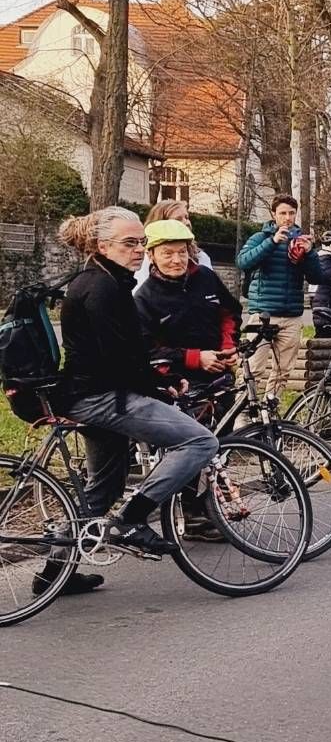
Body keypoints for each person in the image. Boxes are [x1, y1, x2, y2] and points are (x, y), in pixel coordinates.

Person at [48, 208, 219, 565]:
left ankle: (57, 572)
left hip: (90, 393)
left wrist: (162, 380)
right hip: (101, 397)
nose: (139, 250)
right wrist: (157, 389)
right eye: (129, 243)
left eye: (142, 242)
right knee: (201, 440)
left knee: (105, 487)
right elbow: (118, 359)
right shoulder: (101, 288)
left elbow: (129, 353)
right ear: (102, 246)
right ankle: (133, 518)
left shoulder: (105, 280)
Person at [234, 192, 327, 399]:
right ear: (273, 215)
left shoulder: (300, 242)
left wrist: (310, 253)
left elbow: (316, 278)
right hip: (263, 314)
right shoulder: (260, 238)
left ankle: (270, 411)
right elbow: (243, 262)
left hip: (291, 315)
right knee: (253, 369)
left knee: (283, 372)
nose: (287, 218)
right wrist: (272, 242)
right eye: (283, 213)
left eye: (291, 213)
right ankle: (241, 415)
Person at [135, 218, 241, 383]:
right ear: (151, 255)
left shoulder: (206, 277)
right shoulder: (144, 299)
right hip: (178, 385)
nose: (177, 260)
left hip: (220, 378)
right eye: (167, 253)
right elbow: (147, 350)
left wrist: (228, 346)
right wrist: (195, 358)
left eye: (182, 252)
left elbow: (230, 313)